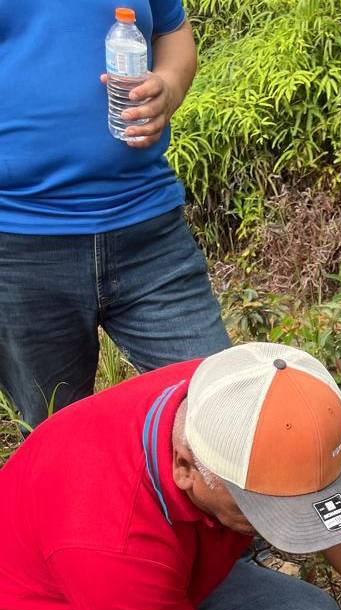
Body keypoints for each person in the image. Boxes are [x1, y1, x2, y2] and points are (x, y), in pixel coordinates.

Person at [0, 342, 341, 610]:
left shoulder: (260, 406)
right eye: (259, 507)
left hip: (166, 577)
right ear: (185, 467)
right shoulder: (112, 541)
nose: (293, 520)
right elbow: (116, 555)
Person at [0, 1, 229, 428]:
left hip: (149, 231)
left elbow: (172, 32)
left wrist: (168, 87)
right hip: (19, 242)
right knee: (55, 433)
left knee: (221, 407)